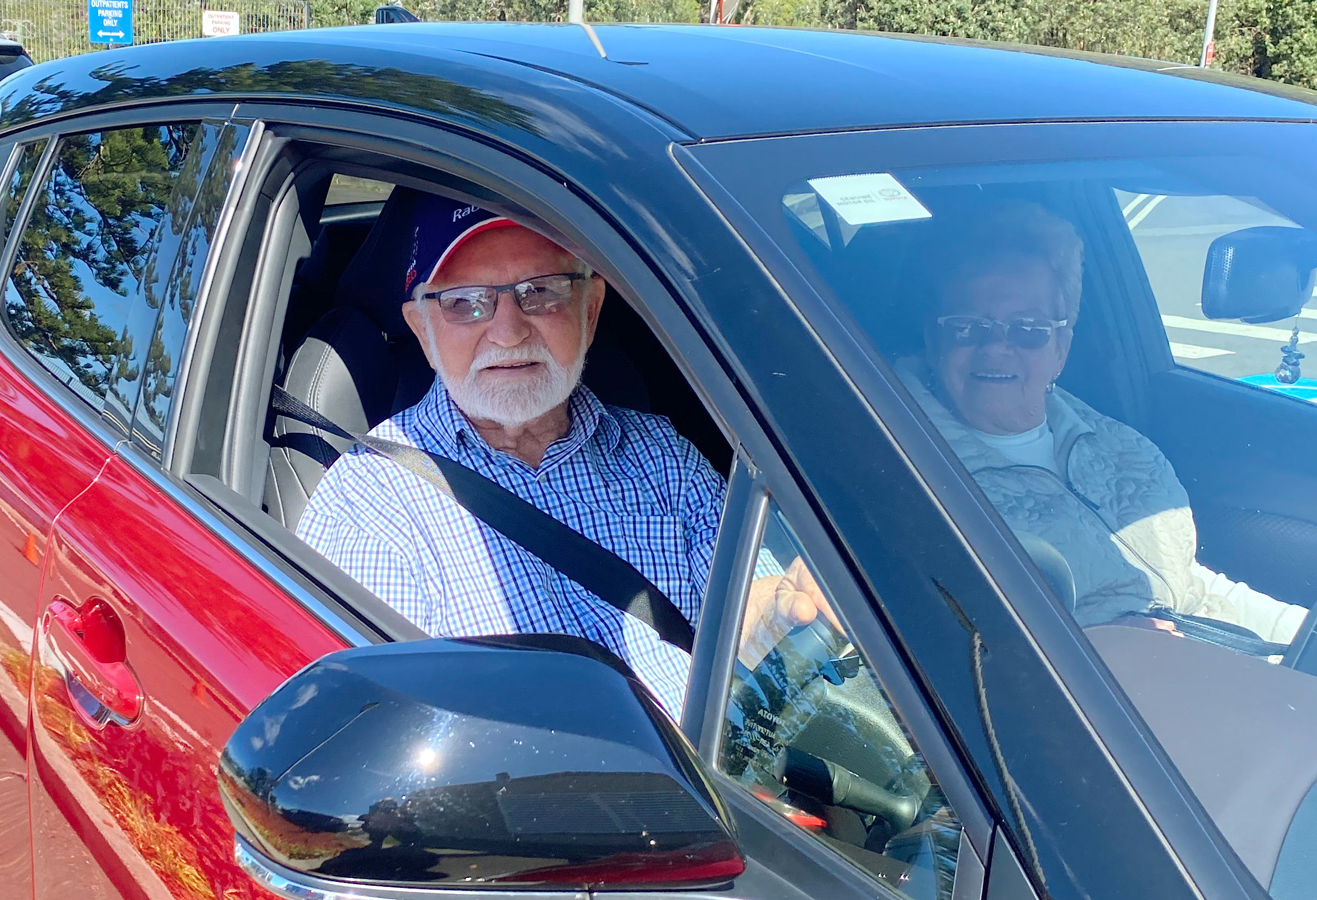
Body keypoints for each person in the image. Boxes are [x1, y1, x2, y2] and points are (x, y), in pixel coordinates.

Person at [297, 191, 822, 712]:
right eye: (466, 303)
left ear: (590, 310)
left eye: (541, 291)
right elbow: (388, 736)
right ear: (423, 330)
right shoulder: (371, 505)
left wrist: (774, 619)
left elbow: (748, 621)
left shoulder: (662, 458)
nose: (507, 331)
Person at [896, 202, 1305, 643]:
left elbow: (1191, 587)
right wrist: (1101, 643)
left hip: (1210, 666)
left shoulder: (1122, 446)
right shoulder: (905, 464)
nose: (995, 347)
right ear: (932, 336)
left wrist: (1302, 637)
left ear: (1061, 347)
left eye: (1027, 329)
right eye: (967, 326)